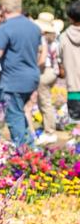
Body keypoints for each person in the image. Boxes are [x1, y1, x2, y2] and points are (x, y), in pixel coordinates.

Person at [0, 0, 41, 146]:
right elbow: (39, 52)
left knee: (15, 120)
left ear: (4, 8)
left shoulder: (5, 28)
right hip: (31, 78)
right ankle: (32, 150)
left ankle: (26, 156)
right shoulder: (34, 27)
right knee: (22, 116)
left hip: (12, 80)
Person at [34, 13, 61, 142]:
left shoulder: (42, 39)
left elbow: (43, 60)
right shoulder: (53, 38)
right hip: (53, 72)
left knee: (45, 102)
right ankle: (47, 127)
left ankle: (49, 131)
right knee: (44, 101)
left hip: (45, 71)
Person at [56, 0, 80, 142]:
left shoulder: (64, 37)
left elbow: (59, 59)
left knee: (76, 124)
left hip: (73, 87)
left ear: (70, 18)